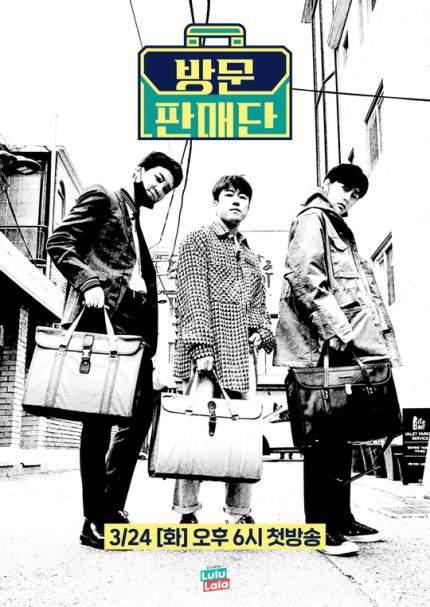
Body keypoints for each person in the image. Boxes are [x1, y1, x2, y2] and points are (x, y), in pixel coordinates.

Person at [47, 151, 183, 549]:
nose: (159, 190)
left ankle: (110, 507)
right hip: (104, 329)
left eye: (166, 188)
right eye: (157, 179)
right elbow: (59, 242)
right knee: (98, 423)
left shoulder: (136, 223)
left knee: (139, 418)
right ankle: (94, 519)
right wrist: (88, 281)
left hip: (135, 340)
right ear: (139, 172)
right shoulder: (104, 197)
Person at [274, 163, 400, 556]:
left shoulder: (336, 225)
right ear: (327, 184)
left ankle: (341, 518)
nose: (348, 198)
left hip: (342, 345)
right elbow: (305, 277)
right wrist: (336, 332)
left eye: (355, 195)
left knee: (340, 431)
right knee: (322, 436)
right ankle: (320, 527)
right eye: (344, 189)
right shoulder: (313, 218)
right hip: (321, 345)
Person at [173, 175, 275, 523]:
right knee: (195, 430)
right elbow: (191, 296)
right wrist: (201, 346)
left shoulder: (251, 254)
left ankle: (239, 511)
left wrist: (260, 332)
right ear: (215, 202)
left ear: (248, 206)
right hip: (204, 354)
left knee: (244, 434)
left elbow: (258, 304)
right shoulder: (197, 240)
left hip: (241, 357)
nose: (236, 201)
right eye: (229, 195)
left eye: (243, 197)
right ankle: (187, 511)